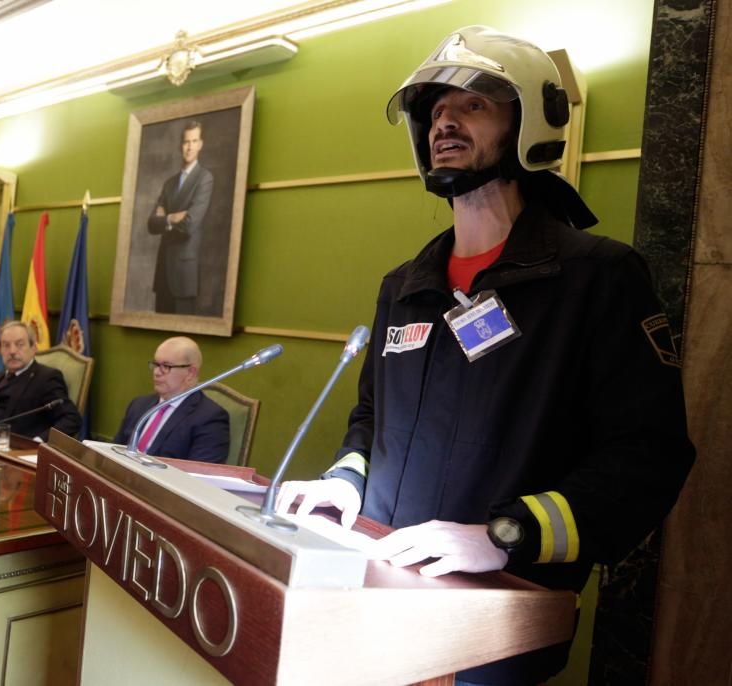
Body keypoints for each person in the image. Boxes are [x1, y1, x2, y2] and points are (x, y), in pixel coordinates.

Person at [275, 26, 695, 685]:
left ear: (528, 122)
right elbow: (369, 422)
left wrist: (500, 534)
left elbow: (646, 457)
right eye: (436, 109)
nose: (444, 120)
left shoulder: (596, 278)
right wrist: (342, 484)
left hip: (491, 631)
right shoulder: (406, 287)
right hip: (372, 599)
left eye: (471, 104)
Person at [114, 336, 229, 463]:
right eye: (156, 364)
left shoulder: (209, 419)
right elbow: (114, 451)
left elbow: (198, 477)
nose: (157, 372)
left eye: (166, 366)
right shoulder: (139, 405)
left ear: (191, 373)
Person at [147, 120, 214, 314]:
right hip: (163, 275)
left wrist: (164, 218)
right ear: (180, 145)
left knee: (181, 341)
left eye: (194, 141)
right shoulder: (169, 183)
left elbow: (190, 224)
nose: (190, 147)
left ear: (200, 144)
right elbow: (152, 224)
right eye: (186, 142)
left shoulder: (205, 178)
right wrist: (172, 218)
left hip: (184, 275)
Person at [0, 320, 82, 441]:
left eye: (20, 344)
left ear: (34, 348)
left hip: (16, 450)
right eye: (6, 345)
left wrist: (39, 441)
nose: (12, 351)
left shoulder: (47, 378)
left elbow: (71, 419)